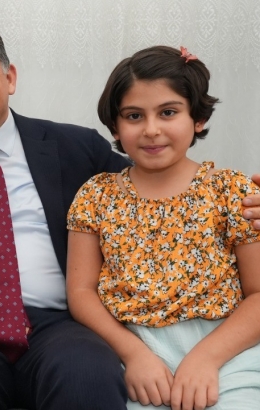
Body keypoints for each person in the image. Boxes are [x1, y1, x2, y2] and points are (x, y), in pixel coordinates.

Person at [0, 19, 260, 410]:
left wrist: (252, 203)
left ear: (9, 78)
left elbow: (160, 185)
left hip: (58, 322)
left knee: (87, 374)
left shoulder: (75, 147)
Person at [66, 46, 260, 410]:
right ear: (115, 126)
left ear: (198, 118)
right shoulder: (96, 195)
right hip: (133, 353)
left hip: (227, 352)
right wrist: (133, 354)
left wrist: (206, 358)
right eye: (134, 116)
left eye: (168, 112)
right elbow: (80, 291)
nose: (151, 130)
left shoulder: (232, 191)